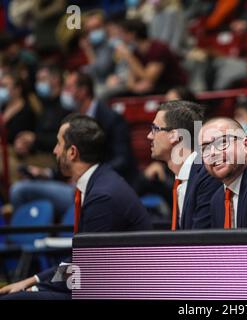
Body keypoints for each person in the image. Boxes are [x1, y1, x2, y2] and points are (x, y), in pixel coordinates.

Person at [0, 115, 152, 299]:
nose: (55, 151)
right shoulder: (100, 182)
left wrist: (36, 289)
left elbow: (86, 271)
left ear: (72, 152)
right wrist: (34, 279)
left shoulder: (102, 196)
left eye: (58, 144)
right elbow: (82, 262)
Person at [9, 71, 138, 216]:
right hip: (73, 185)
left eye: (69, 88)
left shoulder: (111, 119)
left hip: (96, 189)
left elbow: (122, 160)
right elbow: (71, 159)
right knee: (21, 186)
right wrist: (46, 173)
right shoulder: (71, 118)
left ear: (83, 91)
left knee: (20, 190)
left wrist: (88, 177)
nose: (64, 92)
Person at [147, 100, 222, 229]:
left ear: (175, 135)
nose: (149, 136)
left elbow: (201, 240)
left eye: (155, 129)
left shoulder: (207, 174)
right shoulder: (180, 176)